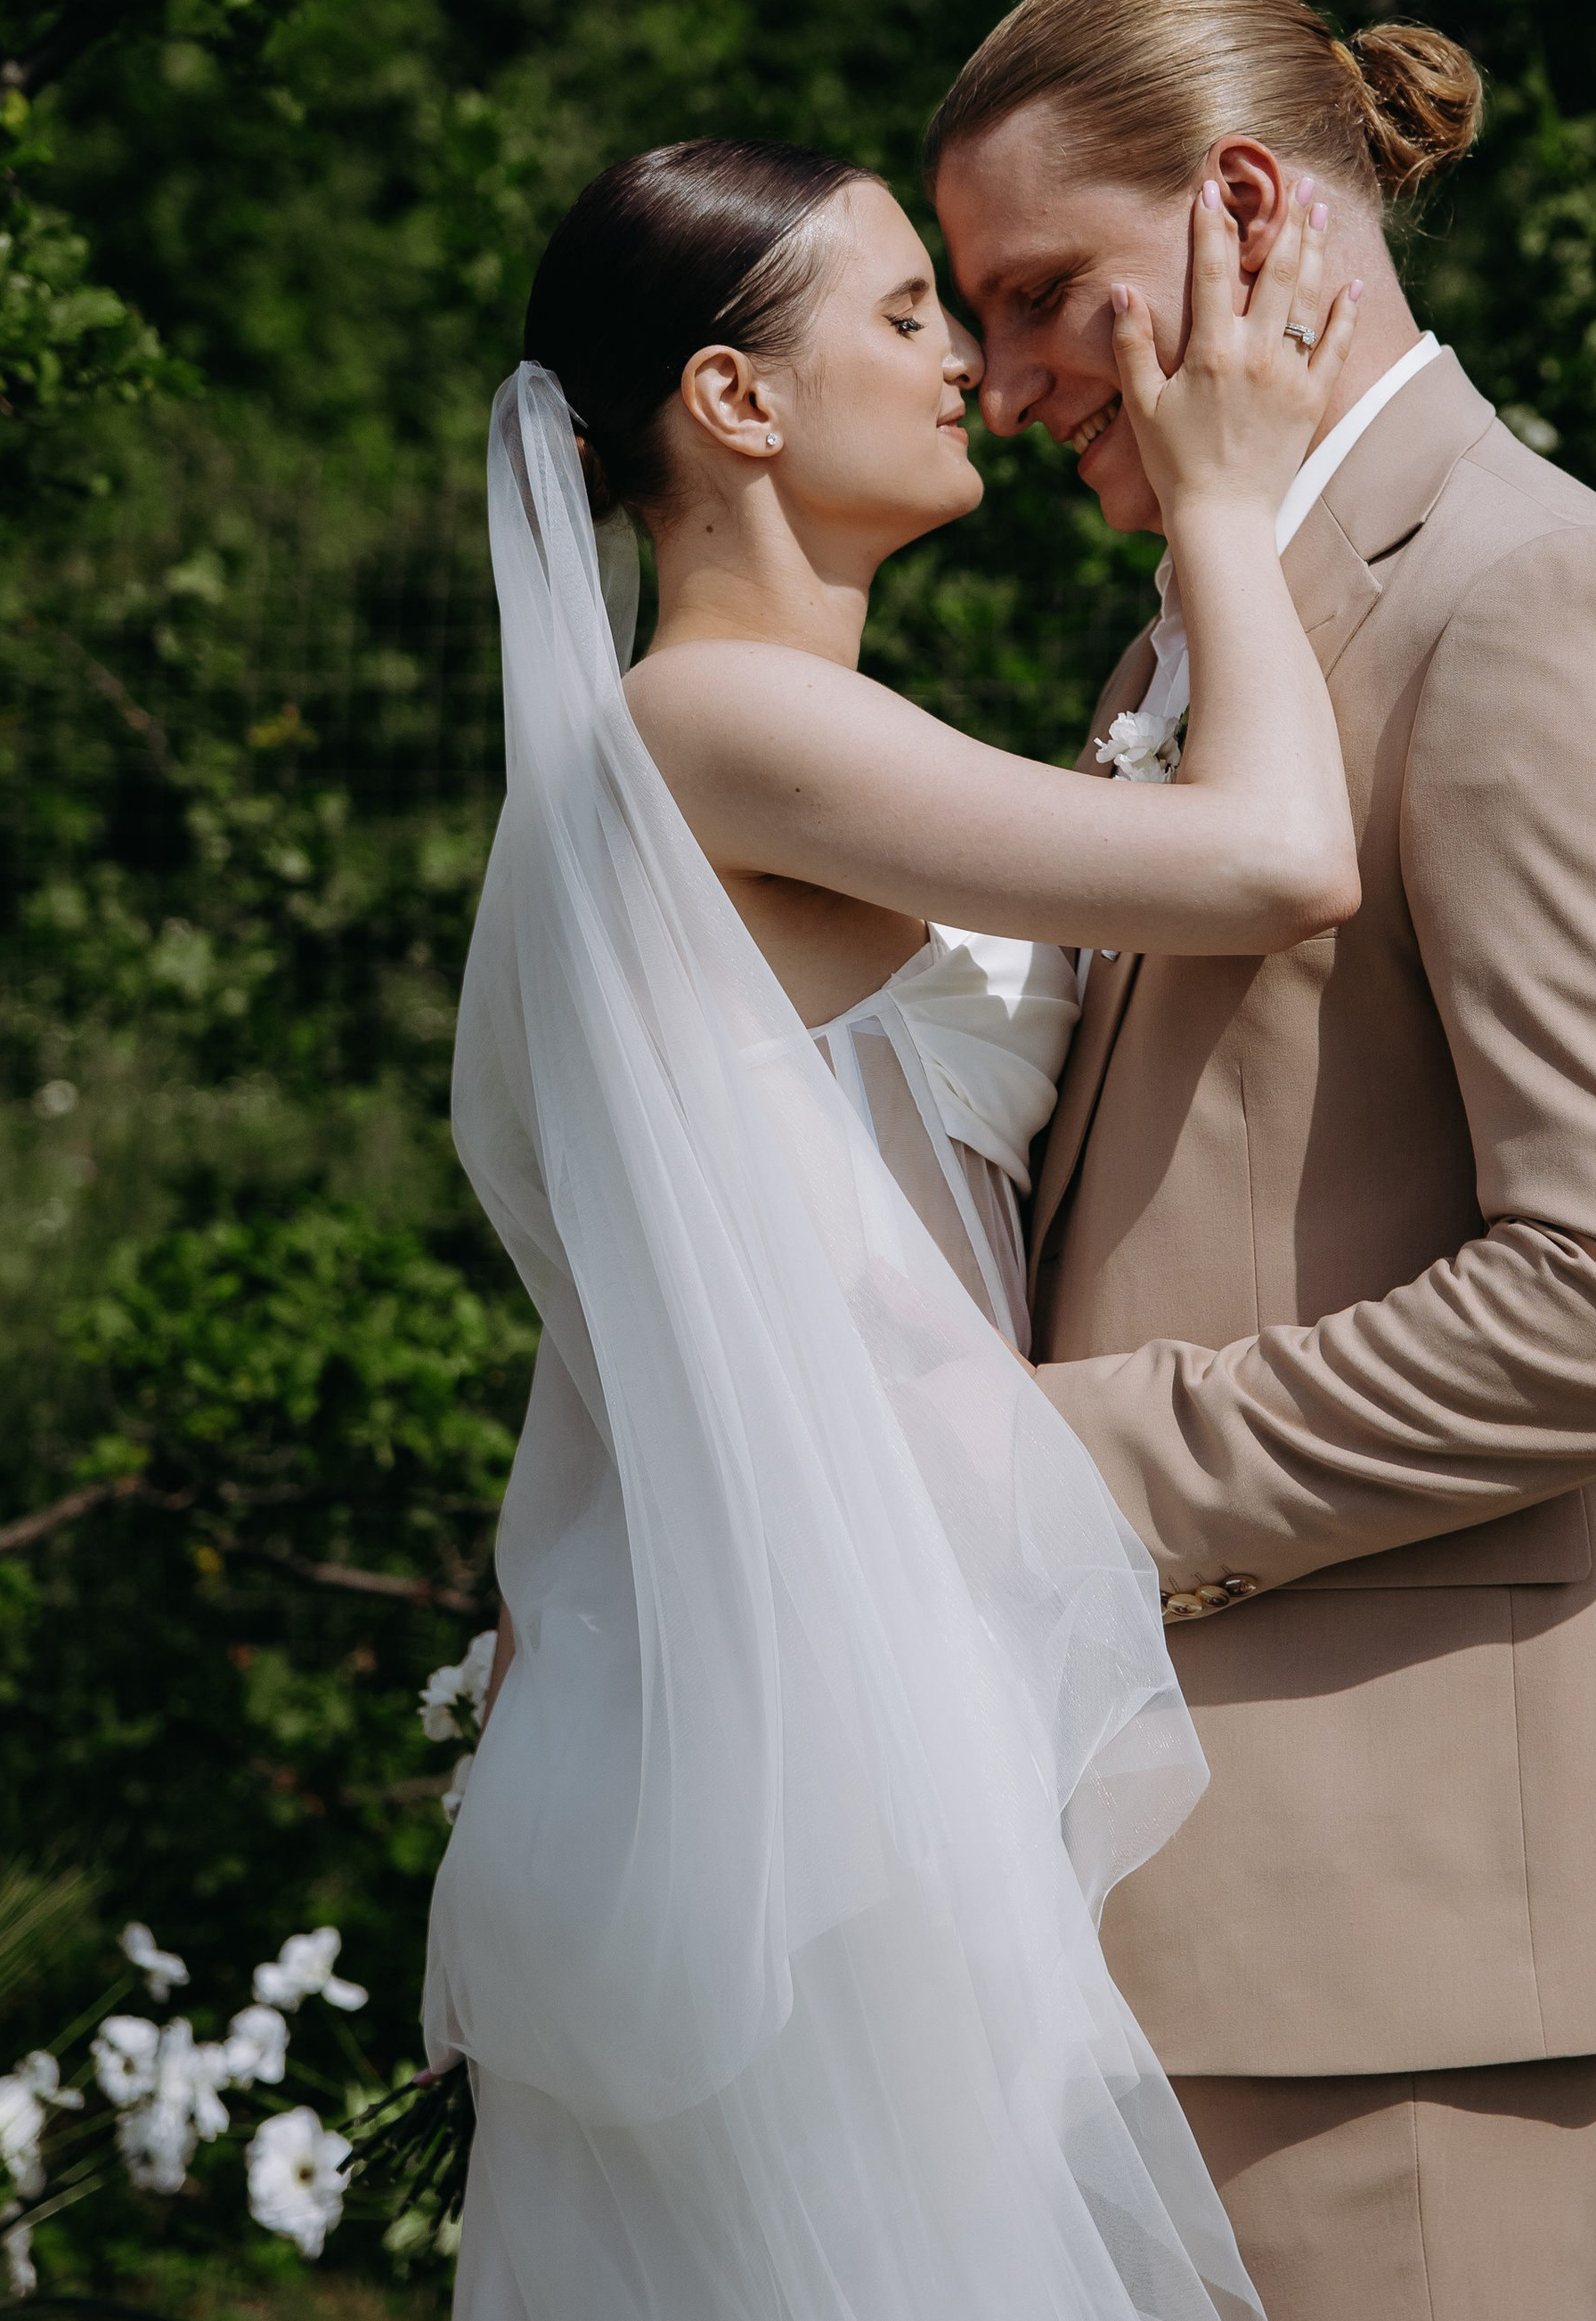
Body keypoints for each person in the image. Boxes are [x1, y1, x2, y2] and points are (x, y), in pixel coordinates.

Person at [423, 135, 1361, 2321]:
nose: (979, 368)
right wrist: (1222, 499)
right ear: (736, 404)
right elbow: (1279, 858)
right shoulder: (709, 722)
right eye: (907, 313)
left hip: (860, 1675)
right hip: (826, 1722)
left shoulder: (755, 737)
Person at [929, 0, 1596, 2321]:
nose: (1000, 391)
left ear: (1241, 212)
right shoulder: (1195, 632)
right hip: (1175, 1898)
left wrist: (1055, 1470)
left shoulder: (1534, 609)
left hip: (1411, 1951)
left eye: (1039, 301)